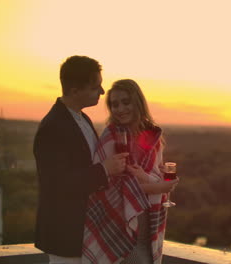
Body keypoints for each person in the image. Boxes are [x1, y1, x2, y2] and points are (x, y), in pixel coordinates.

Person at [33, 55, 129, 264]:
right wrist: (104, 170)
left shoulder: (82, 118)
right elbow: (56, 184)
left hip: (87, 231)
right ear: (75, 91)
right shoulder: (53, 127)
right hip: (65, 234)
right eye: (96, 87)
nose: (103, 92)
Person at [82, 79, 179, 264]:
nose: (120, 109)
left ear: (137, 102)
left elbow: (154, 172)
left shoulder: (152, 135)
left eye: (126, 102)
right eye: (114, 104)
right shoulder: (112, 136)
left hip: (146, 224)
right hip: (118, 226)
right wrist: (158, 187)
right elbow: (111, 185)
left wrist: (158, 179)